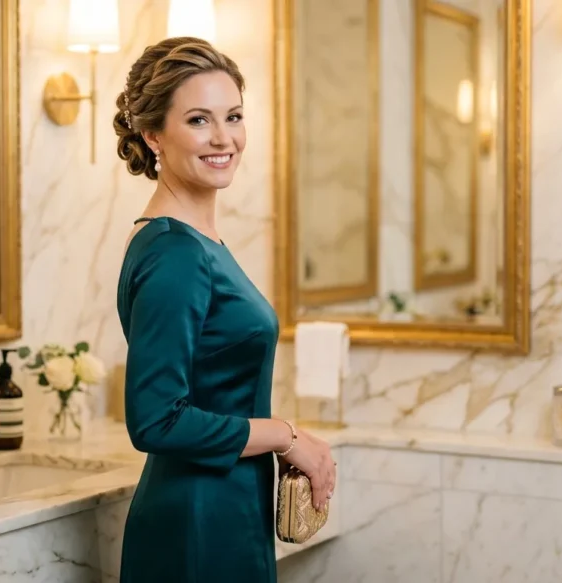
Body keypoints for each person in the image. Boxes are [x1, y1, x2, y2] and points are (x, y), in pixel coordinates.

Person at [113, 37, 337, 583]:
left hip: (227, 509)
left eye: (233, 116)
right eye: (197, 119)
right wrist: (286, 435)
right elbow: (157, 419)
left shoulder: (197, 242)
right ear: (152, 135)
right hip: (196, 524)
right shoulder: (175, 252)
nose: (223, 138)